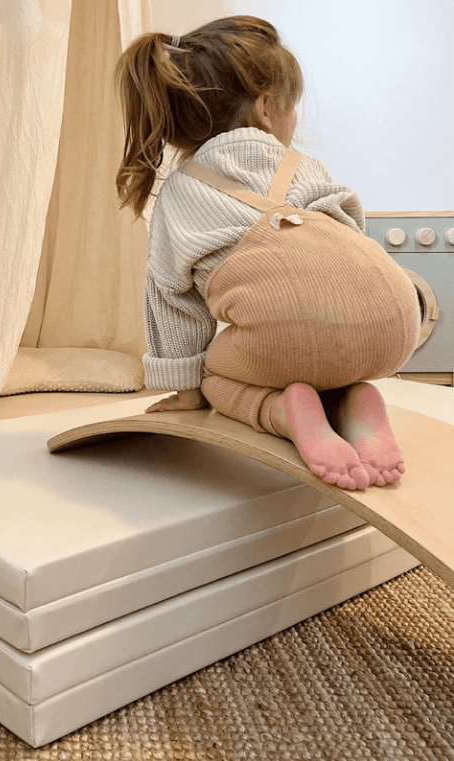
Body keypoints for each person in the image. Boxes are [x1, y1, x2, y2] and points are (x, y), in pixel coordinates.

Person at [114, 15, 420, 491]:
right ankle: (352, 399)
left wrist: (187, 389)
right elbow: (348, 239)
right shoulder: (306, 166)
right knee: (318, 345)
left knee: (215, 373)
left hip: (291, 335)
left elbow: (171, 296)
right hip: (395, 322)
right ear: (265, 108)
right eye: (292, 106)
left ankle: (282, 411)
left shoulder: (181, 191)